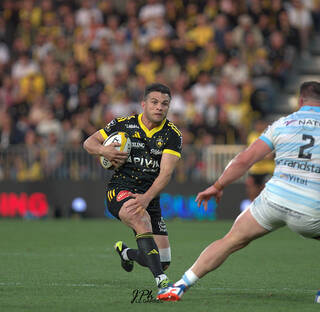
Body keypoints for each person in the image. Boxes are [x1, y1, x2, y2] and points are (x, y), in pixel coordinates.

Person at [157, 81, 320, 302]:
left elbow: (245, 159)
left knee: (231, 240)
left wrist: (217, 186)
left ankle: (180, 285)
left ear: (300, 101)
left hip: (273, 199)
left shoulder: (282, 123)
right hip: (310, 207)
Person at [83, 83, 182, 290]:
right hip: (120, 189)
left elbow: (166, 174)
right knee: (140, 217)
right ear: (143, 104)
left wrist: (147, 198)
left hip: (150, 196)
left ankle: (126, 253)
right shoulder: (123, 124)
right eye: (154, 102)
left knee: (162, 261)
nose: (159, 107)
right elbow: (88, 143)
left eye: (164, 104)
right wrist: (104, 151)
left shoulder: (172, 135)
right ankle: (163, 284)